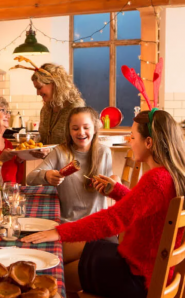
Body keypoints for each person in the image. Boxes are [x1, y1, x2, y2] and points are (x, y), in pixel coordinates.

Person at [22, 109, 185, 298]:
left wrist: (58, 231)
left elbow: (113, 219)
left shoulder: (156, 180)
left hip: (136, 275)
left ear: (148, 142)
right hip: (137, 263)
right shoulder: (169, 175)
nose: (130, 142)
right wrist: (115, 189)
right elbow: (139, 206)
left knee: (51, 275)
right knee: (57, 255)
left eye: (132, 137)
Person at [27, 107, 116, 224]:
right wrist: (46, 175)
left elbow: (111, 185)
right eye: (75, 128)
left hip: (97, 223)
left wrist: (113, 183)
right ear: (69, 130)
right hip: (69, 223)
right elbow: (30, 178)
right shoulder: (59, 152)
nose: (81, 132)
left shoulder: (104, 152)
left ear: (94, 129)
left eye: (86, 127)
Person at [11, 57, 85, 159]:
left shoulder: (75, 109)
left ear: (55, 84)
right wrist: (32, 148)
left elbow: (80, 146)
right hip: (51, 168)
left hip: (72, 167)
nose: (37, 93)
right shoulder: (46, 110)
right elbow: (44, 141)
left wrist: (50, 152)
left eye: (39, 88)